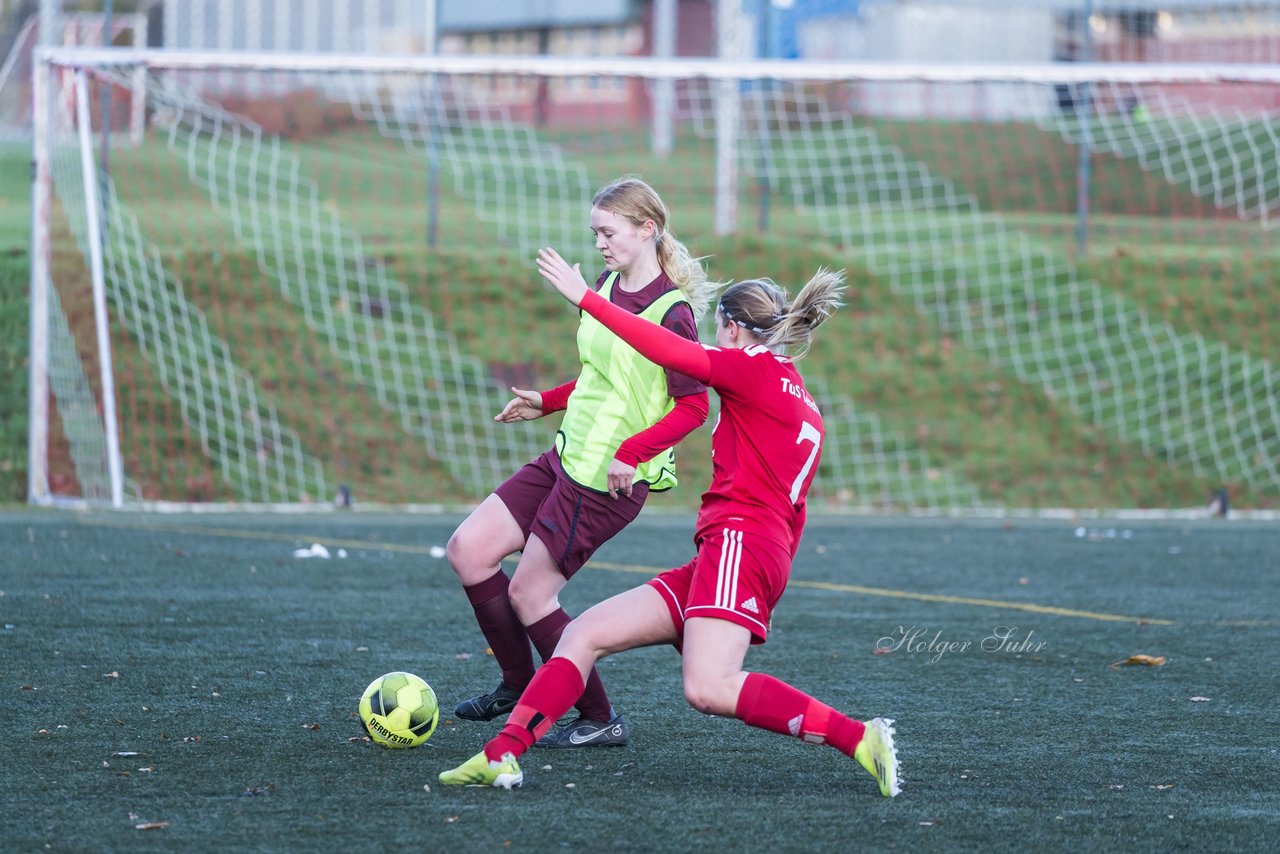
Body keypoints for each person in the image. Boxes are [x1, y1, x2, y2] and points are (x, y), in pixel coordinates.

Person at [438, 251, 901, 797]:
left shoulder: (749, 367)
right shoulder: (798, 393)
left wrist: (586, 298)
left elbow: (664, 350)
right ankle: (503, 753)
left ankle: (860, 737)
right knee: (583, 635)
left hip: (739, 547)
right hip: (738, 552)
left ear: (731, 327)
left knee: (709, 686)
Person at [444, 177, 718, 748]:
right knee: (468, 550)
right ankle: (519, 683)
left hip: (605, 483)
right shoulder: (607, 284)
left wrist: (632, 451)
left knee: (530, 595)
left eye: (609, 232)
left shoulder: (674, 313)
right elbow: (603, 378)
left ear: (648, 230)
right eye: (595, 233)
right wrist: (545, 402)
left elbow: (694, 407)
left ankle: (599, 718)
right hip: (568, 455)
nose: (600, 244)